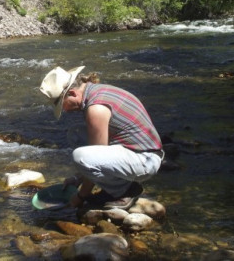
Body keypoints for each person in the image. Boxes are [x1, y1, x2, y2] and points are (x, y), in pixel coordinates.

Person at [39, 66, 163, 210]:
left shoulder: (96, 109)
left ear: (72, 93)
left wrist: (80, 197)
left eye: (61, 104)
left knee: (80, 156)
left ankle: (125, 191)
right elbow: (98, 152)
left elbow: (93, 160)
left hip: (146, 161)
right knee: (76, 134)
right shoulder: (97, 90)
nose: (65, 110)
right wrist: (77, 178)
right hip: (144, 151)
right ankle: (120, 184)